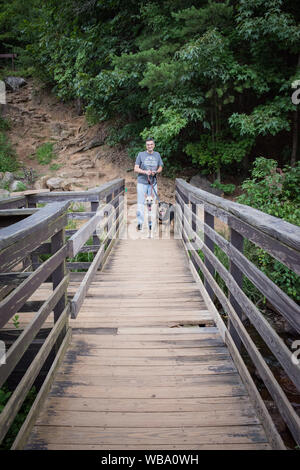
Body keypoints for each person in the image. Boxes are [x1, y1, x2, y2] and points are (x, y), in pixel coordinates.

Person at [134, 138, 163, 230]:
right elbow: (135, 168)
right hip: (142, 182)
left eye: (151, 144)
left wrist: (156, 172)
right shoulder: (141, 154)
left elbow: (160, 167)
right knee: (141, 202)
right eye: (148, 144)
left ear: (154, 145)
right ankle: (140, 223)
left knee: (152, 203)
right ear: (146, 146)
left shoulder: (157, 155)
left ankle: (150, 223)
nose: (149, 146)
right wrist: (145, 172)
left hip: (153, 183)